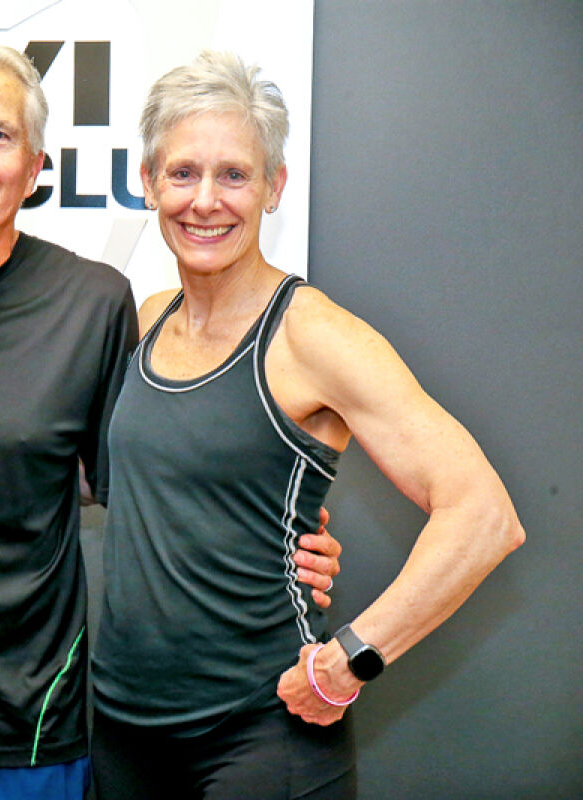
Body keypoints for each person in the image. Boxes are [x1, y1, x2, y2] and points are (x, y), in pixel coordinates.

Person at [0, 39, 341, 800]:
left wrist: (280, 537)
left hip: (21, 734)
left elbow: (148, 478)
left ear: (34, 169)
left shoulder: (92, 301)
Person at [89, 50, 525, 800]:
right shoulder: (150, 317)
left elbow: (485, 517)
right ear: (149, 181)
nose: (205, 200)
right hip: (121, 729)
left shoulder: (311, 335)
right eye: (183, 173)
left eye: (234, 175)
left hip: (258, 736)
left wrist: (350, 657)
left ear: (273, 186)